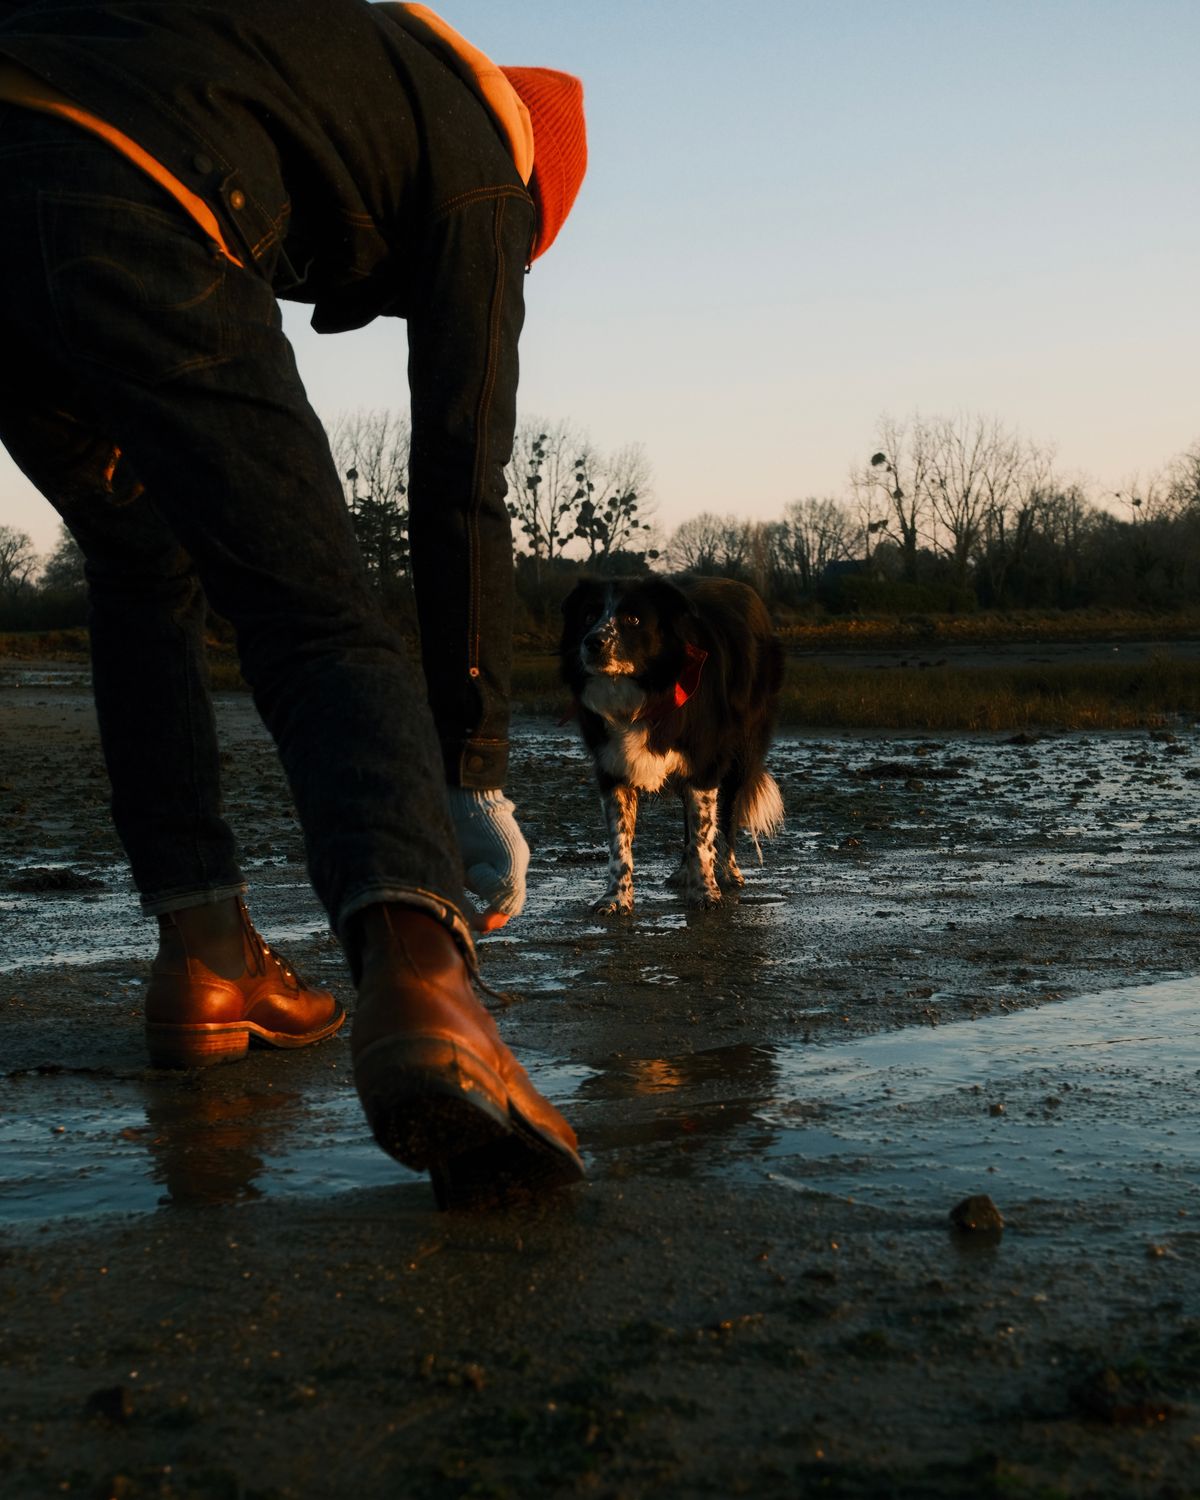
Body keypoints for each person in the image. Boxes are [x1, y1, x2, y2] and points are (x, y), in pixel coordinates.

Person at [0, 0, 587, 1206]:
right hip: (132, 175)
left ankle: (207, 952)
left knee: (140, 556)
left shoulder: (337, 62)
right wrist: (470, 764)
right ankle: (424, 986)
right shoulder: (496, 165)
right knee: (318, 613)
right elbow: (462, 481)